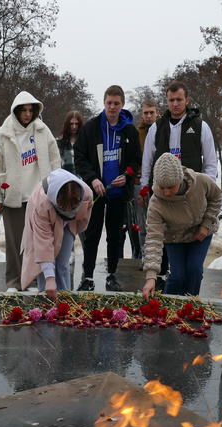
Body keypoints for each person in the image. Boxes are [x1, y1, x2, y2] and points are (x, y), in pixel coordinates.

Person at [138, 82, 218, 289]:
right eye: (171, 100)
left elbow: (210, 162)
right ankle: (163, 289)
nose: (175, 104)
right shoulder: (157, 127)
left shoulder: (200, 126)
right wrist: (145, 187)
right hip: (167, 199)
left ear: (187, 101)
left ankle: (191, 304)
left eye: (179, 100)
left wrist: (206, 189)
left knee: (193, 269)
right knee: (175, 269)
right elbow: (147, 160)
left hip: (192, 194)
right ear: (166, 101)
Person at [0, 91, 61, 292]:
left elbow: (55, 158)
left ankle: (33, 281)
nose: (28, 114)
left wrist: (53, 187)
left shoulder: (42, 130)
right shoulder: (3, 133)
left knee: (37, 242)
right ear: (16, 111)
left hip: (39, 195)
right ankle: (14, 281)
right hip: (13, 195)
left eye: (31, 110)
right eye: (24, 110)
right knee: (14, 242)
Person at [74, 85, 142, 291]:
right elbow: (80, 157)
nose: (112, 107)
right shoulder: (91, 128)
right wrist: (93, 179)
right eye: (109, 103)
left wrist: (127, 174)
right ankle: (88, 277)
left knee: (115, 236)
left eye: (117, 103)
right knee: (92, 234)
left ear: (122, 104)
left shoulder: (129, 130)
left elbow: (135, 159)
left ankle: (112, 275)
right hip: (96, 192)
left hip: (118, 193)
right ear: (104, 103)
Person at [141, 153, 222, 299]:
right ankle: (167, 309)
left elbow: (216, 198)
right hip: (174, 237)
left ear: (180, 179)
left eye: (171, 187)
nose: (166, 192)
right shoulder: (156, 203)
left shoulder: (201, 181)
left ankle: (190, 305)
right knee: (178, 276)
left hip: (200, 233)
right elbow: (153, 238)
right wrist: (151, 277)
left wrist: (206, 224)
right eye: (162, 187)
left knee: (194, 270)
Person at [20, 169, 93, 300]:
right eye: (65, 208)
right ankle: (45, 299)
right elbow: (43, 245)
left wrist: (69, 217)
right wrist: (50, 279)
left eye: (73, 207)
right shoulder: (42, 203)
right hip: (43, 220)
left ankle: (65, 299)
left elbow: (83, 216)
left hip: (68, 224)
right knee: (44, 264)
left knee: (63, 262)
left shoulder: (86, 193)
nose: (70, 211)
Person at [134, 99, 160, 265]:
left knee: (159, 222)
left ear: (157, 112)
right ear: (142, 113)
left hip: (160, 182)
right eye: (146, 113)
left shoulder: (164, 129)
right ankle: (144, 254)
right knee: (142, 221)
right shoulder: (137, 133)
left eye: (152, 112)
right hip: (139, 182)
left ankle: (160, 257)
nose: (149, 116)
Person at [57, 111, 84, 175]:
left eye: (76, 124)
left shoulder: (85, 142)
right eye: (71, 124)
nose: (74, 127)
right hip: (65, 180)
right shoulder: (58, 143)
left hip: (82, 181)